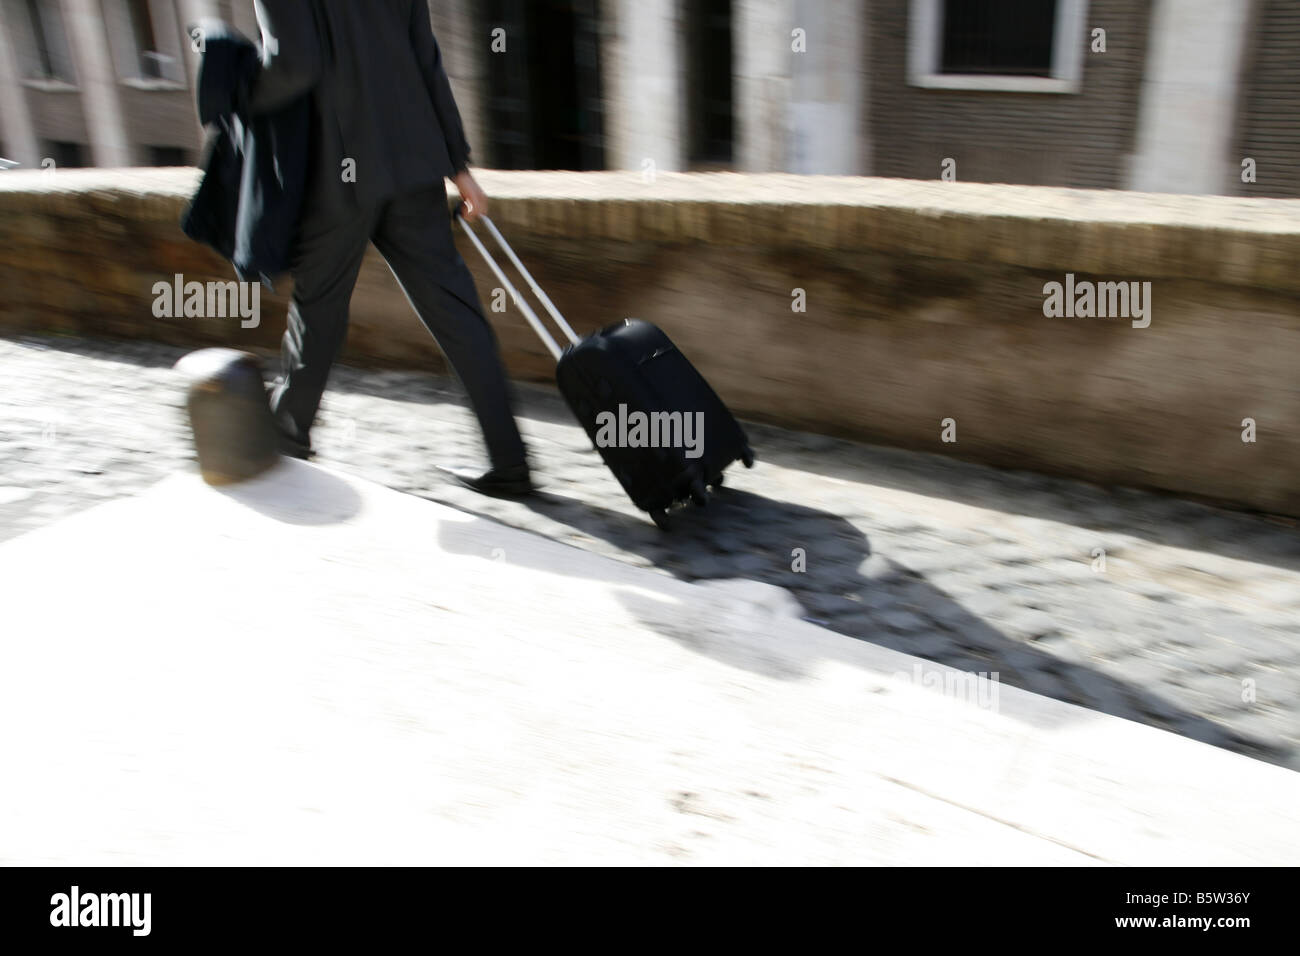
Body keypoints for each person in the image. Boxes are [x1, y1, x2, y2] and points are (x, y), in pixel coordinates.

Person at [249, 0, 532, 496]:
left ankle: (289, 435)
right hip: (412, 164)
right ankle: (510, 460)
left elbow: (293, 64)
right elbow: (427, 60)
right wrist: (458, 167)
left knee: (318, 308)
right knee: (456, 310)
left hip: (337, 172)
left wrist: (237, 92)